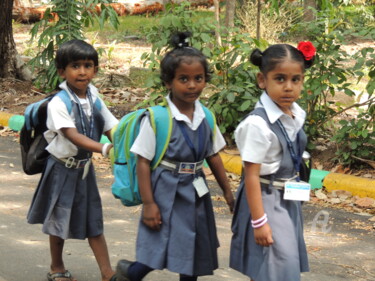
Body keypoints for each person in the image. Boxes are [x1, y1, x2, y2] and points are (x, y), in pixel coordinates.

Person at [115, 32, 235, 281]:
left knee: (194, 246)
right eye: (183, 79)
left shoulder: (207, 117)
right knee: (161, 244)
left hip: (195, 191)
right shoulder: (158, 119)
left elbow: (213, 156)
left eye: (198, 78)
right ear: (168, 82)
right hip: (166, 191)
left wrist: (227, 191)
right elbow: (143, 162)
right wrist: (149, 204)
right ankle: (131, 274)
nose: (192, 85)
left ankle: (131, 273)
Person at [27, 39, 120, 281]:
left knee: (94, 220)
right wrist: (106, 148)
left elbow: (111, 125)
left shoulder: (93, 97)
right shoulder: (59, 102)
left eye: (88, 65)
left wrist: (127, 143)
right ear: (62, 71)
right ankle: (56, 268)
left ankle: (108, 273)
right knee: (59, 220)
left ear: (95, 70)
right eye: (75, 66)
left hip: (84, 170)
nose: (82, 71)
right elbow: (72, 135)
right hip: (61, 169)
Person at [229, 42, 316, 281]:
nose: (289, 87)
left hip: (288, 201)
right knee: (276, 265)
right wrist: (259, 222)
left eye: (296, 80)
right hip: (265, 201)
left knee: (273, 268)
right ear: (262, 80)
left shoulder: (296, 114)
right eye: (280, 79)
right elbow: (251, 176)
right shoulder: (257, 125)